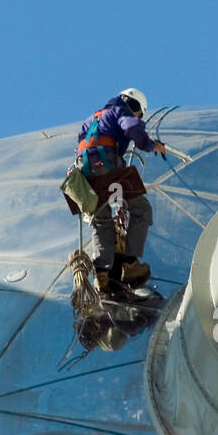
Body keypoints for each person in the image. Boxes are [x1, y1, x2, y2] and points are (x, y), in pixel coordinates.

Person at [73, 88, 167, 295]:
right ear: (133, 105)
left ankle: (102, 274)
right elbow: (132, 128)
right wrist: (151, 145)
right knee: (141, 210)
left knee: (101, 220)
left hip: (86, 172)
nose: (138, 117)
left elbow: (81, 142)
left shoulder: (92, 119)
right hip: (107, 163)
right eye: (139, 113)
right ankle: (131, 265)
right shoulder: (120, 110)